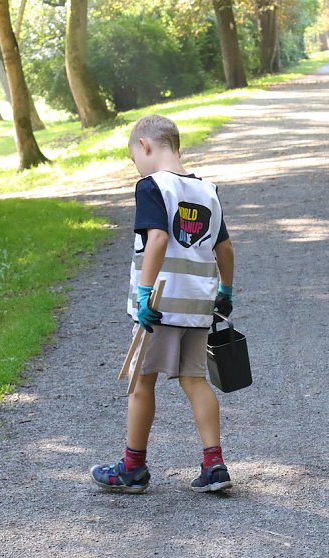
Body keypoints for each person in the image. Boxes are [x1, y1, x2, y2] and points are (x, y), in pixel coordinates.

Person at [90, 114, 236, 494]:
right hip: (197, 305)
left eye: (134, 159)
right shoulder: (207, 190)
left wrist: (144, 292)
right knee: (195, 380)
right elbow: (224, 247)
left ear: (145, 145)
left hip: (158, 305)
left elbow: (157, 238)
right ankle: (214, 465)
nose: (136, 167)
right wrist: (227, 289)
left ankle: (132, 467)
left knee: (142, 382)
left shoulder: (152, 186)